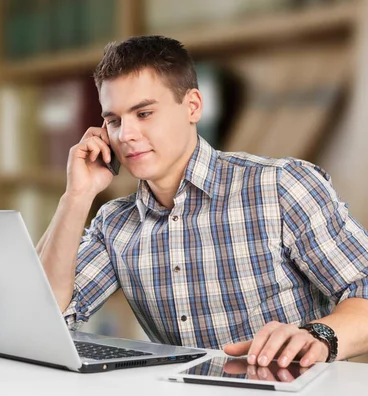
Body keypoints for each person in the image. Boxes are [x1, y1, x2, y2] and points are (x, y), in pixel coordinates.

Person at [36, 35, 368, 369]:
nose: (126, 135)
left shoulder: (280, 186)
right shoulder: (115, 224)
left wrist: (319, 335)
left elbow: (363, 286)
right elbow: (44, 316)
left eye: (144, 113)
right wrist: (76, 196)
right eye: (114, 120)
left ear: (193, 106)